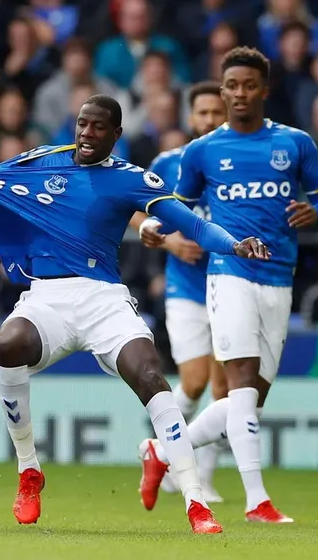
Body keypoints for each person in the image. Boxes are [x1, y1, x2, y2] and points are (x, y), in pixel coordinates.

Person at [0, 94, 271, 533]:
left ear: (116, 135)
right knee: (9, 343)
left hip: (104, 300)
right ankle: (29, 470)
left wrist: (233, 243)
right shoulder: (42, 164)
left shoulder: (128, 178)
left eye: (98, 127)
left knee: (149, 374)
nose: (87, 133)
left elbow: (190, 223)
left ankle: (197, 504)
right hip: (47, 297)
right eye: (82, 124)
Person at [136, 47, 318, 524]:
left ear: (263, 90)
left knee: (248, 401)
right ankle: (257, 501)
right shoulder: (202, 151)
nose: (240, 94)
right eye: (232, 86)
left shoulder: (296, 143)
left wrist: (315, 213)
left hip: (279, 280)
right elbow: (177, 206)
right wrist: (153, 228)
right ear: (223, 90)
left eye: (250, 85)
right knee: (240, 385)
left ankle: (162, 452)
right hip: (228, 277)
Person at [128, 81, 230, 502]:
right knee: (194, 380)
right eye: (202, 113)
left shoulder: (236, 165)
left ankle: (198, 476)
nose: (208, 120)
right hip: (185, 287)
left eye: (216, 113)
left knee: (225, 387)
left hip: (229, 284)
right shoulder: (169, 163)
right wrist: (168, 240)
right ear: (191, 118)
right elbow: (135, 211)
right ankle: (167, 454)